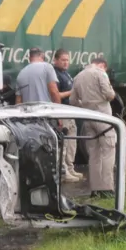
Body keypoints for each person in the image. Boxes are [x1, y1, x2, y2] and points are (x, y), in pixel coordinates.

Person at [70, 58, 117, 198]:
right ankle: (107, 189)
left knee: (94, 154)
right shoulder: (100, 73)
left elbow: (72, 101)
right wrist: (112, 92)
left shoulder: (78, 77)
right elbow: (109, 95)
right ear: (102, 65)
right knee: (108, 151)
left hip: (88, 119)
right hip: (103, 118)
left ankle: (95, 190)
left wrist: (85, 106)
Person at [52, 49, 83, 182]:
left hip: (70, 111)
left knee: (72, 142)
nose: (66, 63)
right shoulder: (55, 75)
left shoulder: (66, 74)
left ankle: (70, 168)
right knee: (63, 144)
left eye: (67, 60)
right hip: (62, 111)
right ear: (56, 60)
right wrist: (71, 93)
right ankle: (63, 172)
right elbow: (55, 95)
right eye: (63, 60)